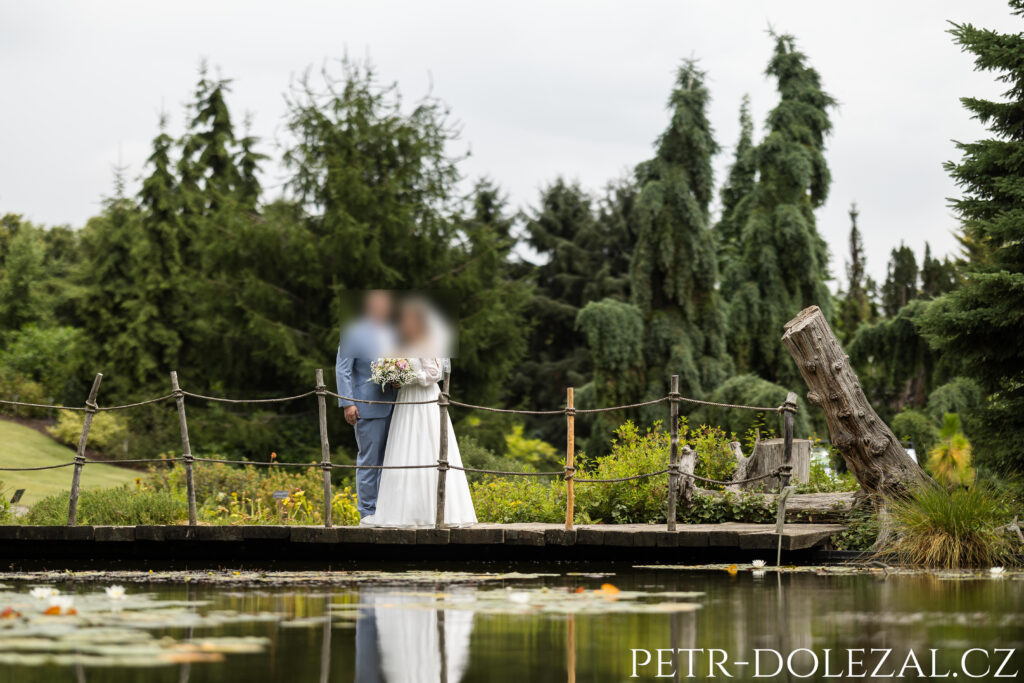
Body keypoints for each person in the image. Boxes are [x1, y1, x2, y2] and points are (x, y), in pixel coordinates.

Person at [360, 297, 476, 528]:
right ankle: (401, 512)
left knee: (427, 447)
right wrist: (393, 378)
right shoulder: (401, 343)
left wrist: (407, 377)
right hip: (406, 399)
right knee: (403, 448)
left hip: (424, 398)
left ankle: (433, 511)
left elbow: (434, 373)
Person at [336, 291, 397, 519]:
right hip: (367, 405)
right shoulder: (353, 331)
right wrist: (348, 403)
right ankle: (368, 513)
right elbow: (343, 370)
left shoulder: (393, 331)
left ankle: (386, 510)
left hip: (397, 405)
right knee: (369, 461)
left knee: (392, 461)